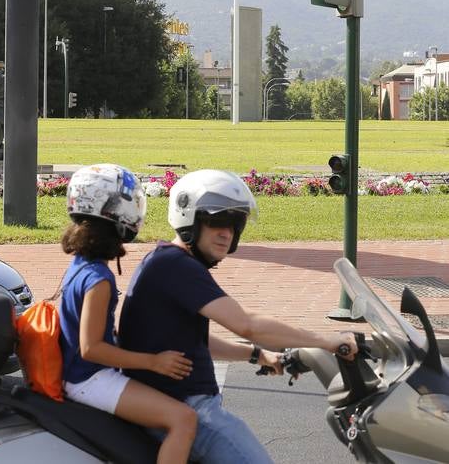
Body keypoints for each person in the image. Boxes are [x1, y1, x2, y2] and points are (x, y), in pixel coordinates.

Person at [118, 169, 359, 464]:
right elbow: (247, 325)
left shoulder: (164, 260)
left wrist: (257, 355)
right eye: (216, 222)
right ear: (189, 218)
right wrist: (328, 341)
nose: (226, 233)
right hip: (191, 408)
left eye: (234, 225)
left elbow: (195, 340)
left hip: (179, 404)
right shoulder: (177, 267)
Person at [59, 164, 197, 464]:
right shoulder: (98, 280)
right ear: (112, 213)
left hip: (80, 374)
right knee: (183, 419)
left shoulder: (82, 265)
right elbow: (91, 348)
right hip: (88, 379)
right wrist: (154, 362)